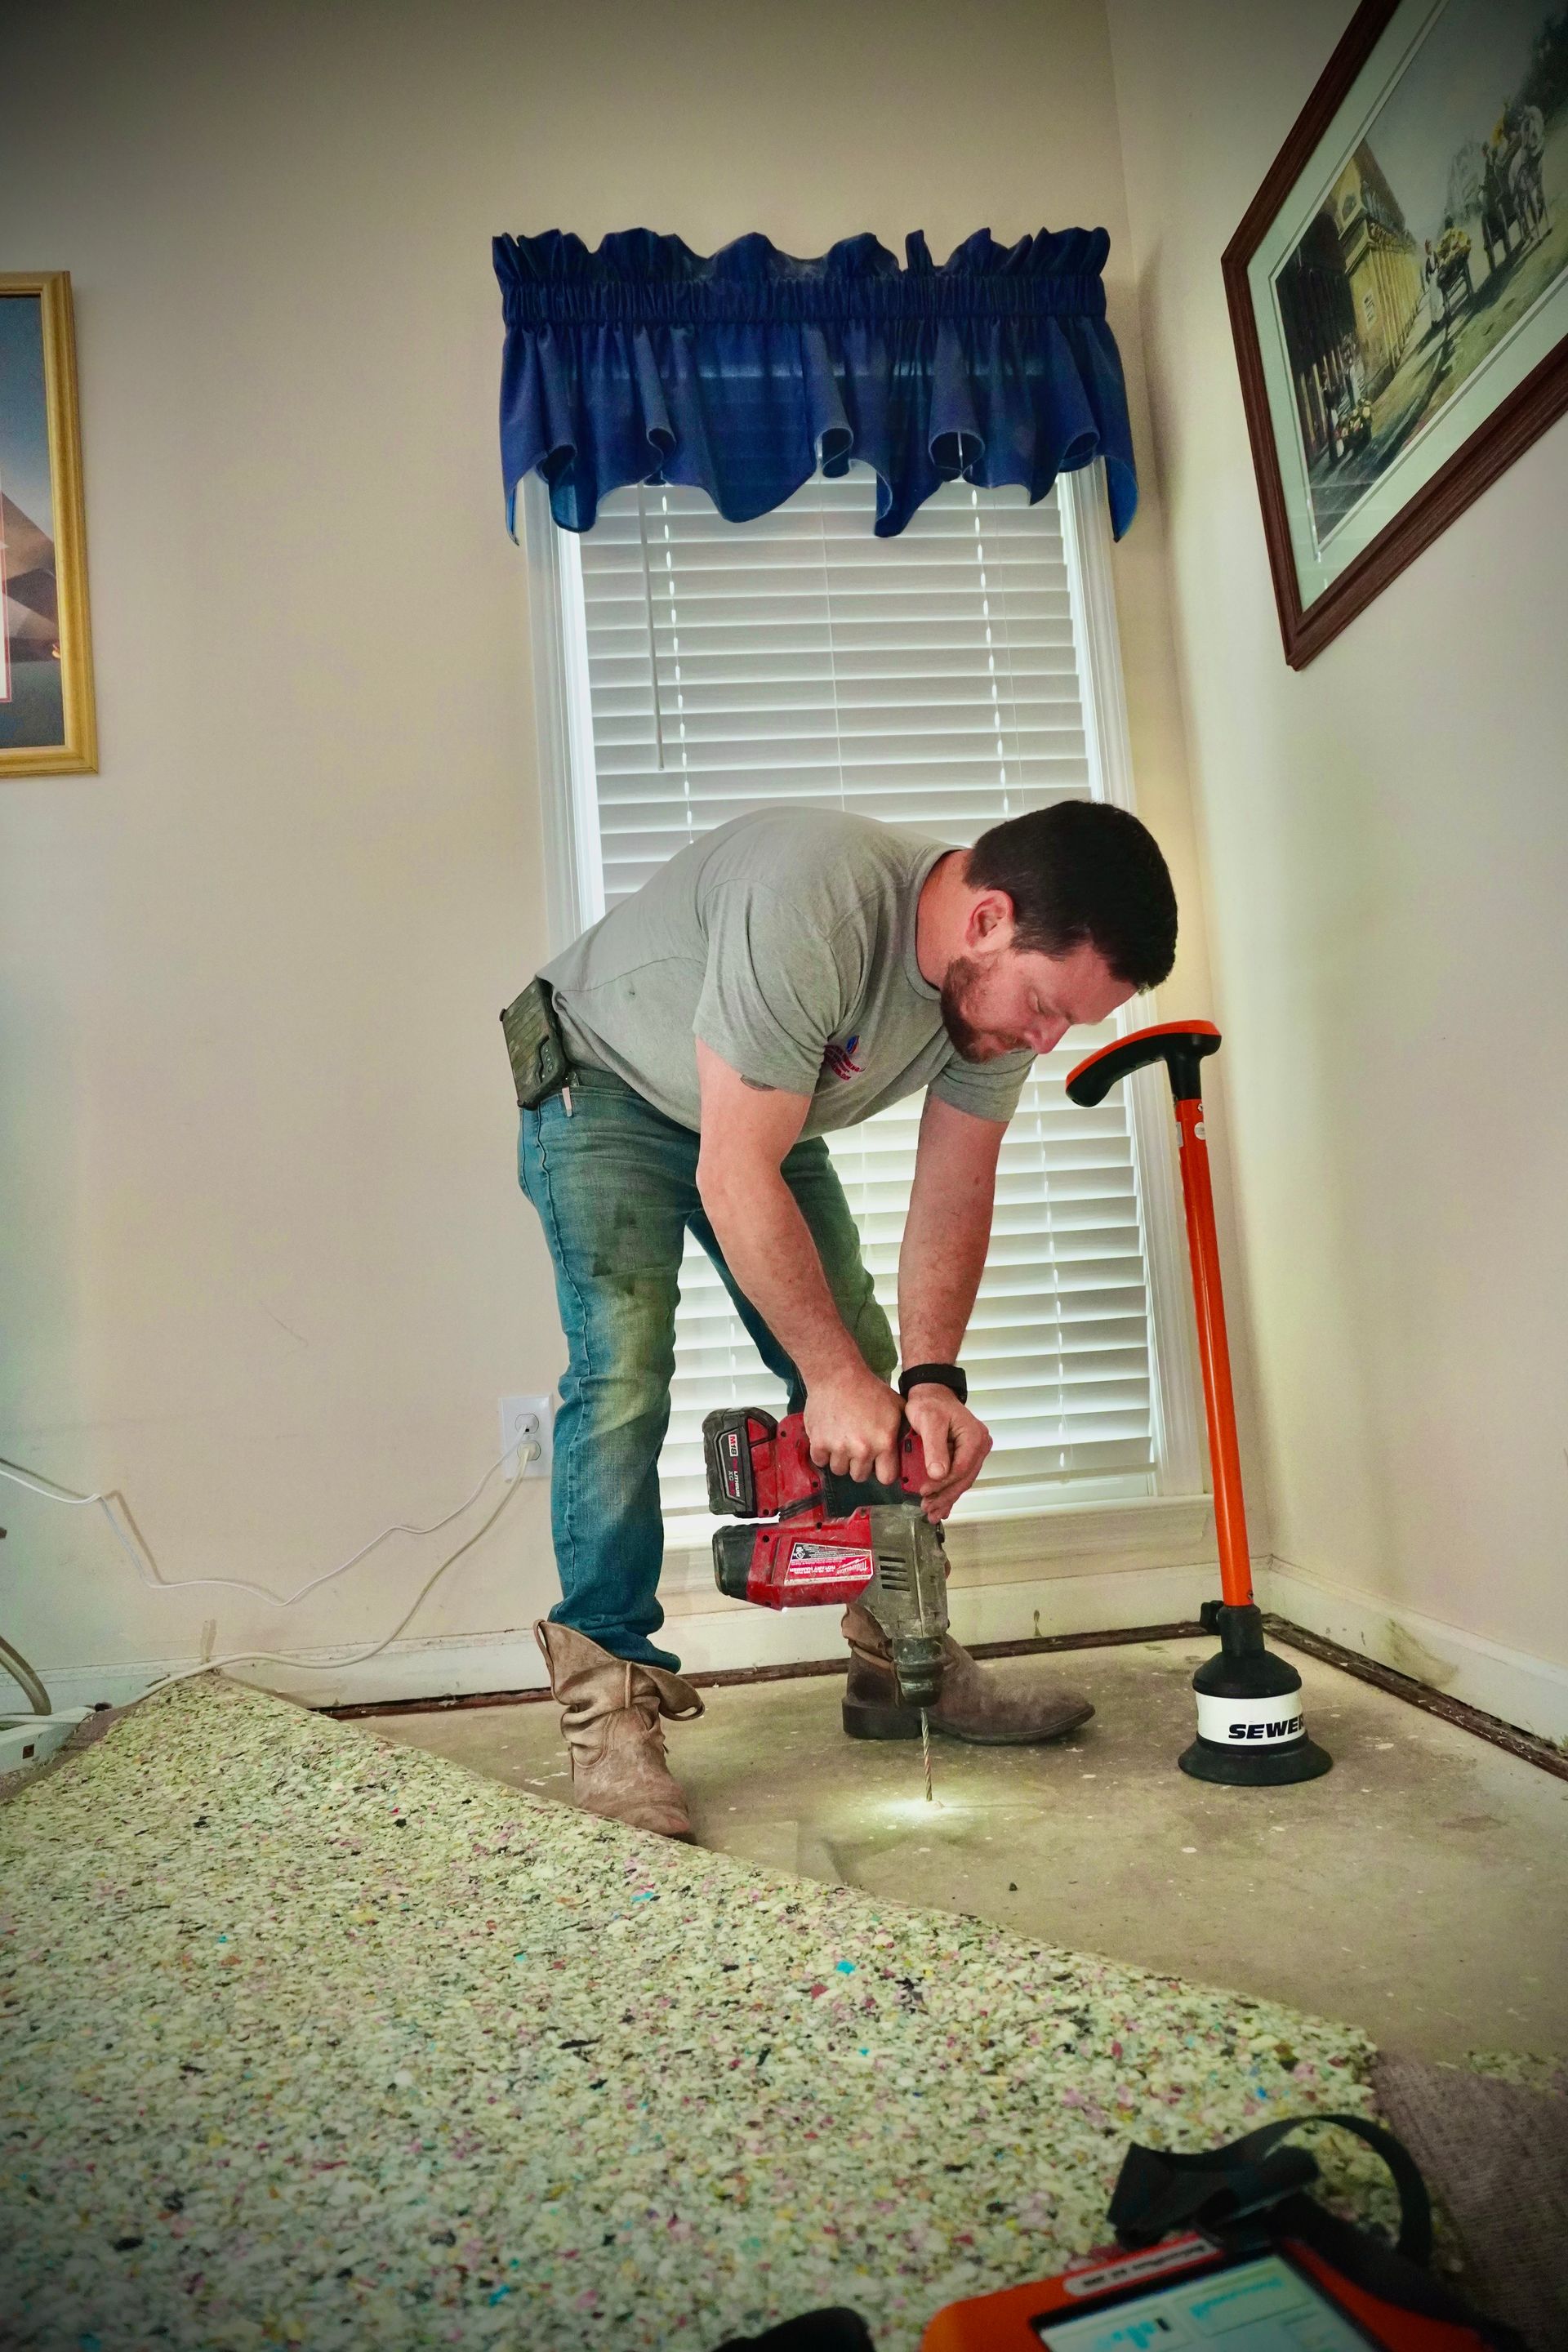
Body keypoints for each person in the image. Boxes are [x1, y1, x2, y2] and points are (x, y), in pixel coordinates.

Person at [512, 802, 1178, 1837]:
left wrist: (930, 1382)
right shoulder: (811, 902)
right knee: (625, 1376)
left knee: (866, 1366)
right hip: (602, 1082)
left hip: (754, 1111)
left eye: (1065, 1027)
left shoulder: (994, 1007)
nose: (1042, 1042)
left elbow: (954, 1191)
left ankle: (900, 1659)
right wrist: (831, 1382)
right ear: (989, 919)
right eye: (1045, 1009)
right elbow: (734, 1172)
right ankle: (609, 1706)